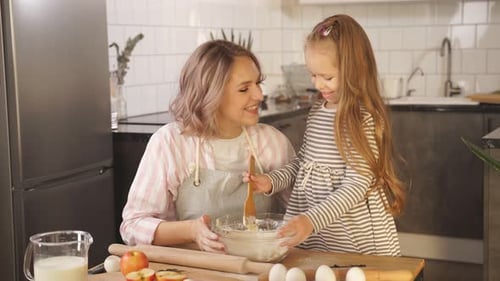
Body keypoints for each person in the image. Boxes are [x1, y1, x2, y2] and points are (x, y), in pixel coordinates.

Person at [247, 14, 405, 256]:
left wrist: (311, 220)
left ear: (355, 70)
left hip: (353, 239)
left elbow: (356, 185)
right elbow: (304, 165)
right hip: (317, 233)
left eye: (327, 77)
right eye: (313, 75)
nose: (319, 85)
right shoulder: (317, 112)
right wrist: (271, 181)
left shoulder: (360, 118)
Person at [120, 40, 295, 252]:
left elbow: (302, 215)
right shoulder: (170, 143)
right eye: (244, 89)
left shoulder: (272, 143)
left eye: (258, 83)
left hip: (258, 268)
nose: (259, 95)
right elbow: (132, 225)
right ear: (212, 94)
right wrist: (190, 230)